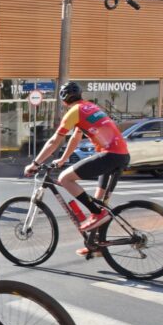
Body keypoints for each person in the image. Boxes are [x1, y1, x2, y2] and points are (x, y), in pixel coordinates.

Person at [24, 81, 130, 254]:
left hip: (109, 155)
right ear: (80, 95)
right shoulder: (90, 107)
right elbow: (75, 138)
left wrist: (35, 164)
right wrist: (62, 159)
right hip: (121, 155)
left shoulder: (74, 112)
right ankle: (95, 245)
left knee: (65, 178)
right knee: (97, 203)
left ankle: (98, 215)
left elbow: (54, 141)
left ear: (64, 100)